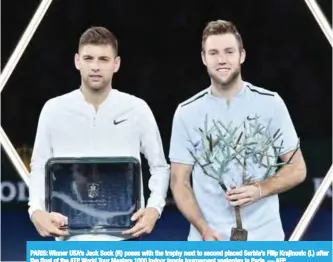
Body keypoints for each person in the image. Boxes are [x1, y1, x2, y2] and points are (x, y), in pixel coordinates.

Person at [169, 20, 307, 241]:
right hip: (207, 242)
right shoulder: (187, 112)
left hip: (265, 240)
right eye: (213, 53)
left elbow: (297, 169)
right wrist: (203, 229)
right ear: (204, 58)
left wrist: (260, 189)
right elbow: (179, 181)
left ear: (242, 55)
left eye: (229, 52)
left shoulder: (270, 104)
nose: (222, 60)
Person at [28, 26, 170, 241]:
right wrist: (36, 209)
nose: (95, 66)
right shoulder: (53, 110)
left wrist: (154, 209)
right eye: (88, 58)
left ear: (116, 64)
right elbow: (39, 165)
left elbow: (159, 166)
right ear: (77, 61)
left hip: (125, 238)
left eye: (103, 59)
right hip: (70, 239)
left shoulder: (137, 109)